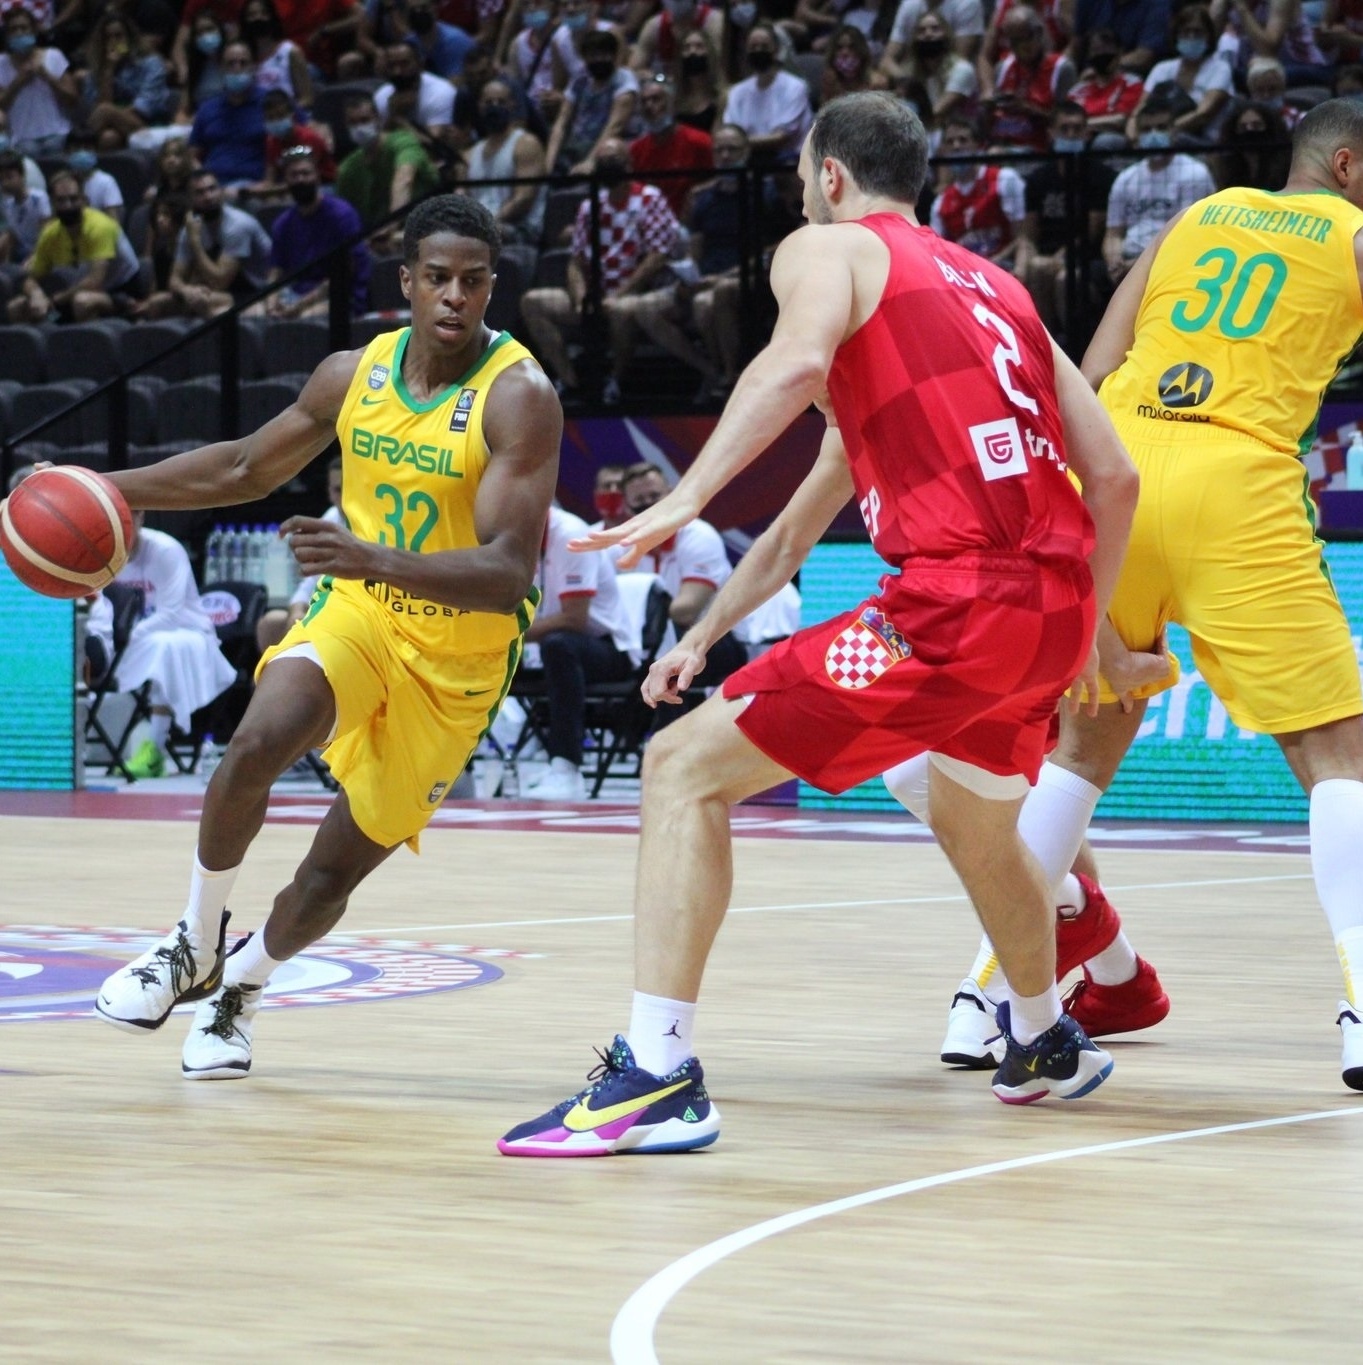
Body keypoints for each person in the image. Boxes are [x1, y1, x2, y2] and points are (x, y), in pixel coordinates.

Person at [500, 92, 1139, 1155]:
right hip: (1050, 611)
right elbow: (1109, 475)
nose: (803, 193)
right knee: (977, 823)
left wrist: (686, 494)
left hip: (952, 604)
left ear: (830, 176)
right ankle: (1039, 1037)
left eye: (805, 175)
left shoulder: (827, 248)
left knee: (680, 769)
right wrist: (702, 638)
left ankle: (654, 1076)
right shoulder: (995, 295)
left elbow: (791, 361)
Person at [93, 194, 562, 1081]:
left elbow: (507, 574)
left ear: (491, 286)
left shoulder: (519, 397)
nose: (454, 297)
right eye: (436, 279)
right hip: (361, 612)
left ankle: (242, 987)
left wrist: (371, 553)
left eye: (472, 280)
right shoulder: (355, 373)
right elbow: (242, 465)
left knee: (326, 878)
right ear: (407, 283)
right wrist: (107, 485)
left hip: (458, 660)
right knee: (254, 743)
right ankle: (192, 941)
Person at [988, 97, 1363, 1094]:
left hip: (1116, 471)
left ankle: (999, 1001)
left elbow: (1096, 362)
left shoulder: (1195, 219)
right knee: (1335, 754)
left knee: (1079, 745)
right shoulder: (1354, 234)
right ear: (1348, 166)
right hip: (1234, 478)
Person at [519, 137, 691, 403]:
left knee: (621, 311)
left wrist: (621, 293)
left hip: (635, 294)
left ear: (629, 164)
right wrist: (580, 299)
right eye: (603, 162)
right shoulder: (590, 206)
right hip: (595, 296)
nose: (609, 167)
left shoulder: (649, 199)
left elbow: (657, 257)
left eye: (615, 161)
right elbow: (576, 261)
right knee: (533, 303)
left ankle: (615, 380)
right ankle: (570, 381)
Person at [518, 502, 635, 801]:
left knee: (558, 645)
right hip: (551, 646)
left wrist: (505, 635)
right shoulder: (517, 534)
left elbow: (575, 619)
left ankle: (566, 768)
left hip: (609, 650)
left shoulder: (572, 535)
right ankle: (457, 771)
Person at [111, 512, 240, 779]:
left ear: (139, 518)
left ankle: (155, 750)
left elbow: (171, 612)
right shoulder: (103, 552)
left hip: (187, 633)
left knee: (163, 648)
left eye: (127, 521)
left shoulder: (167, 550)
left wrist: (129, 635)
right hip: (132, 635)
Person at [1015, 101, 1114, 335]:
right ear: (1051, 133)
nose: (1070, 135)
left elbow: (1092, 232)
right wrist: (1022, 264)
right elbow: (1028, 234)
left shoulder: (1101, 175)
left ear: (1087, 133)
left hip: (1087, 258)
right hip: (1047, 255)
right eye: (1064, 129)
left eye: (1077, 129)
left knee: (1063, 278)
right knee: (1035, 267)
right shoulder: (1038, 179)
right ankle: (1047, 341)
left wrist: (1060, 257)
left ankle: (1071, 345)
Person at [1102, 87, 1215, 285]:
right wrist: (1114, 261)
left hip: (1176, 263)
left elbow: (1188, 237)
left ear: (1174, 131)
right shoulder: (1126, 177)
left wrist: (1136, 266)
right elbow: (1113, 234)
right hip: (1129, 261)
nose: (1154, 135)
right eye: (1146, 130)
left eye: (1161, 127)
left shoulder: (1194, 172)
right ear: (1137, 134)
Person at [6, 170, 139, 321]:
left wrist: (56, 300)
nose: (68, 206)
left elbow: (95, 281)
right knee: (16, 306)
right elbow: (29, 278)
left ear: (84, 200)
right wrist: (36, 294)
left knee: (82, 301)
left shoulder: (100, 227)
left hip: (121, 293)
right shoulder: (50, 234)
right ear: (52, 203)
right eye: (61, 201)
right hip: (73, 293)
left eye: (73, 199)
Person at [264, 145, 370, 317]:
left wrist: (298, 307)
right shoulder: (282, 223)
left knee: (302, 322)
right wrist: (270, 305)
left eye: (306, 173)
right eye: (294, 175)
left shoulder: (341, 214)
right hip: (295, 294)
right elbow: (275, 271)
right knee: (250, 317)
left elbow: (345, 273)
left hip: (340, 296)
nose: (300, 179)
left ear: (317, 177)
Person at [256, 453, 345, 651]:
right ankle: (267, 679)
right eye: (337, 490)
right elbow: (311, 580)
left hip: (354, 608)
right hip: (325, 602)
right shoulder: (329, 519)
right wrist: (297, 609)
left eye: (348, 489)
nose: (342, 497)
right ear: (329, 492)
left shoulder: (370, 521)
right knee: (272, 622)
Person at [335, 90, 440, 244]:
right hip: (378, 239)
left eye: (364, 120)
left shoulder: (403, 141)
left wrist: (390, 226)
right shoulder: (348, 168)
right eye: (353, 122)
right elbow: (346, 215)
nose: (359, 127)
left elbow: (404, 179)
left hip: (429, 222)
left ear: (377, 120)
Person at [169, 167, 272, 317]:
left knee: (208, 307)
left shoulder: (238, 225)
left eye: (212, 189)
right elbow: (174, 279)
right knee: (158, 303)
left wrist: (196, 243)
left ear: (221, 191)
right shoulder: (191, 227)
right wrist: (186, 290)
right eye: (200, 192)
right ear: (190, 199)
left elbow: (220, 281)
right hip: (225, 291)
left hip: (258, 290)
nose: (208, 196)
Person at [1126, 4, 1232, 146]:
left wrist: (1161, 131)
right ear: (1176, 36)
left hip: (1203, 142)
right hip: (1155, 136)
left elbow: (1203, 114)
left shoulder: (1220, 68)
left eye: (1197, 32)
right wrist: (1134, 135)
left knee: (1178, 140)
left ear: (1209, 37)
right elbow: (1139, 111)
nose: (1191, 36)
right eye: (1186, 32)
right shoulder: (1162, 68)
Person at [930, 112, 1026, 268]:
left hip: (1003, 266)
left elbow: (1021, 239)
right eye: (950, 142)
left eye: (963, 140)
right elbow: (938, 254)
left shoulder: (1005, 179)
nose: (956, 146)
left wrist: (991, 266)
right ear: (944, 151)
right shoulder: (940, 204)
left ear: (977, 145)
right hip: (964, 276)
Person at [462, 76, 547, 244]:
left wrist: (487, 223)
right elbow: (462, 197)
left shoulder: (526, 143)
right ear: (479, 106)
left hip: (519, 228)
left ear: (512, 105)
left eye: (501, 102)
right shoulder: (470, 154)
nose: (494, 107)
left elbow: (523, 199)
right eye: (488, 102)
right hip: (479, 230)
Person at [81, 9, 177, 150]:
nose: (113, 42)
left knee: (105, 110)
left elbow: (144, 107)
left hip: (148, 124)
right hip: (110, 124)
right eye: (108, 37)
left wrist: (111, 113)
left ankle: (78, 146)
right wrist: (108, 70)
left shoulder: (151, 63)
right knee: (109, 138)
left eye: (118, 36)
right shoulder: (97, 70)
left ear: (129, 38)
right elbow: (94, 108)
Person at [722, 22, 812, 167]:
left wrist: (740, 143)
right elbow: (731, 133)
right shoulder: (736, 92)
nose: (758, 50)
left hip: (786, 163)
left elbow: (781, 137)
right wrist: (737, 144)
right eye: (753, 47)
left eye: (764, 46)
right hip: (745, 162)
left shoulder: (795, 87)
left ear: (776, 51)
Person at [0, 4, 79, 156]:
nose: (19, 33)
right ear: (7, 35)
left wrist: (47, 76)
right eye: (14, 29)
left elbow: (72, 99)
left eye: (24, 28)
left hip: (57, 133)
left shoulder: (54, 56)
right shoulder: (1, 63)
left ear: (34, 30)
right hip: (21, 138)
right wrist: (18, 82)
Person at [189, 40, 267, 190]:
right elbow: (192, 154)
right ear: (221, 69)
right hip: (212, 188)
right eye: (230, 63)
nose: (237, 68)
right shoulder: (207, 108)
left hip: (254, 187)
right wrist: (203, 180)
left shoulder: (271, 103)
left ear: (254, 67)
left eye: (243, 63)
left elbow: (303, 132)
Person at [630, 75, 712, 217]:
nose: (649, 106)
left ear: (672, 103)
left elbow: (716, 181)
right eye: (644, 102)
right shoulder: (636, 150)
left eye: (656, 99)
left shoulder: (700, 141)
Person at [0, 145, 49, 264]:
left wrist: (32, 259)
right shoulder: (8, 204)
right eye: (1, 179)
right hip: (22, 251)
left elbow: (46, 236)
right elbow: (12, 236)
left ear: (22, 176)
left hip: (42, 252)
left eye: (9, 177)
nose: (5, 183)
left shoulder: (39, 198)